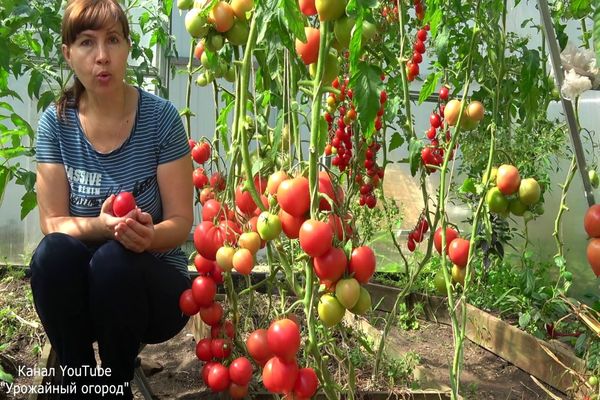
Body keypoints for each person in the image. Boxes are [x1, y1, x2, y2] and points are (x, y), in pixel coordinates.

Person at [29, 0, 194, 398]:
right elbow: (52, 222)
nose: (101, 56)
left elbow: (181, 222)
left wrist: (147, 237)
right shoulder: (56, 122)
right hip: (83, 293)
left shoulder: (161, 119)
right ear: (69, 54)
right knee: (51, 254)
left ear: (128, 48)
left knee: (114, 260)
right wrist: (103, 227)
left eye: (113, 40)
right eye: (87, 42)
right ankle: (79, 376)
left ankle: (114, 382)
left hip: (153, 290)